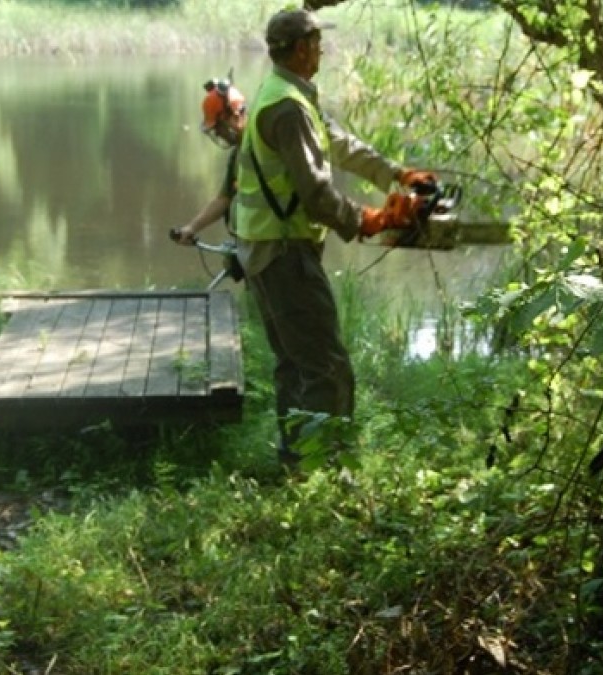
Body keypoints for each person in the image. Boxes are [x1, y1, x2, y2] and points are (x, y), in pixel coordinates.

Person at [234, 7, 436, 466]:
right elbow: (317, 195)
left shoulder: (285, 93)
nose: (322, 51)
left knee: (293, 362)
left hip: (264, 249)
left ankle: (294, 461)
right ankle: (328, 469)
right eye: (318, 44)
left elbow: (339, 143)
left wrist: (397, 175)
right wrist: (368, 220)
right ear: (304, 48)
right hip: (285, 253)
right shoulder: (286, 107)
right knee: (327, 368)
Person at [172, 77, 248, 246]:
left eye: (218, 128)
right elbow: (224, 199)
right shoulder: (237, 155)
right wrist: (191, 228)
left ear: (233, 117)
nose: (219, 135)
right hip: (250, 243)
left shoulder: (265, 146)